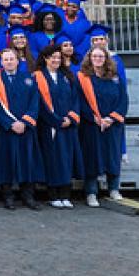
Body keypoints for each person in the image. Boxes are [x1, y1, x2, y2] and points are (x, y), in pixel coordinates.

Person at [0, 48, 43, 210]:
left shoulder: (28, 79)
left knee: (27, 162)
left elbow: (35, 102)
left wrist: (24, 122)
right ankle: (8, 196)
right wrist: (9, 123)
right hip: (5, 129)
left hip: (25, 129)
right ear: (1, 62)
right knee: (6, 163)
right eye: (6, 59)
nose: (9, 62)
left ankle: (28, 196)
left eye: (12, 59)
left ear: (18, 61)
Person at [77, 45, 128, 207]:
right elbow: (80, 101)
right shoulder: (83, 78)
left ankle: (114, 189)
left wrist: (111, 118)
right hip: (92, 125)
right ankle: (91, 193)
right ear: (89, 58)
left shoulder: (115, 77)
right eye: (95, 56)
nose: (98, 59)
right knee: (92, 158)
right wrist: (94, 119)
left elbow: (123, 100)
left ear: (106, 58)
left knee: (113, 156)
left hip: (112, 125)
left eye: (101, 56)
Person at [34, 44, 83, 208]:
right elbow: (39, 103)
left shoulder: (67, 76)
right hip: (49, 126)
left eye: (58, 57)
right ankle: (53, 194)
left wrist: (70, 118)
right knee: (52, 159)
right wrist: (55, 120)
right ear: (45, 58)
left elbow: (76, 100)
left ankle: (66, 194)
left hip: (68, 126)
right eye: (52, 57)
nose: (56, 60)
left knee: (66, 159)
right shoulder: (38, 77)